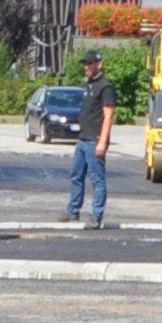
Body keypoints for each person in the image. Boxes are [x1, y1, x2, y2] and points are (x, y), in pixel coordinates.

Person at [65, 52, 114, 229]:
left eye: (90, 64)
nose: (86, 67)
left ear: (99, 64)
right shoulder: (90, 85)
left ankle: (96, 215)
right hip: (83, 139)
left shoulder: (105, 87)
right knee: (76, 175)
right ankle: (73, 211)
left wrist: (102, 142)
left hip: (95, 140)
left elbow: (108, 116)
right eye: (85, 64)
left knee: (97, 180)